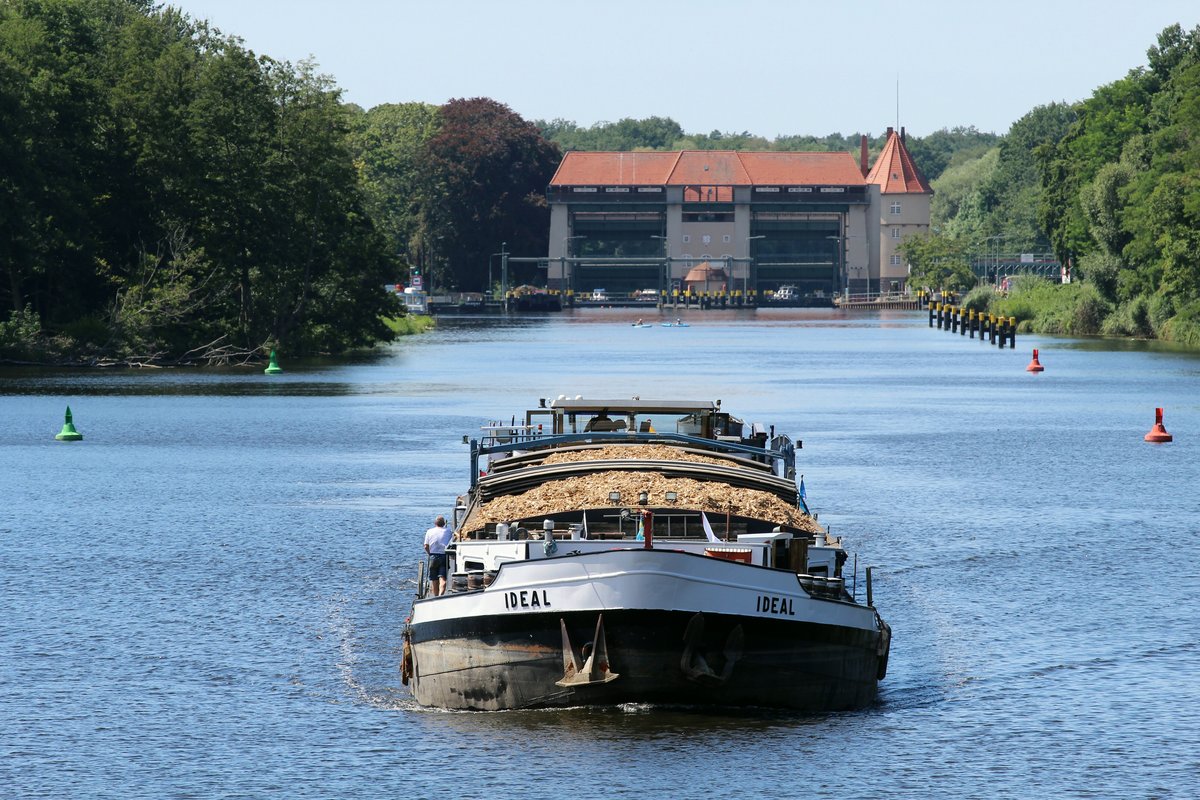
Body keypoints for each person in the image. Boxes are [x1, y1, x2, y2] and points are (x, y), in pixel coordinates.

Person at [424, 515, 453, 596]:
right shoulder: (448, 531)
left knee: (434, 580)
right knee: (442, 578)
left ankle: (436, 597)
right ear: (444, 523)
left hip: (433, 556)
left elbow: (426, 546)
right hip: (444, 556)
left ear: (435, 523)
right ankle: (441, 596)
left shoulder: (429, 531)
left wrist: (429, 553)